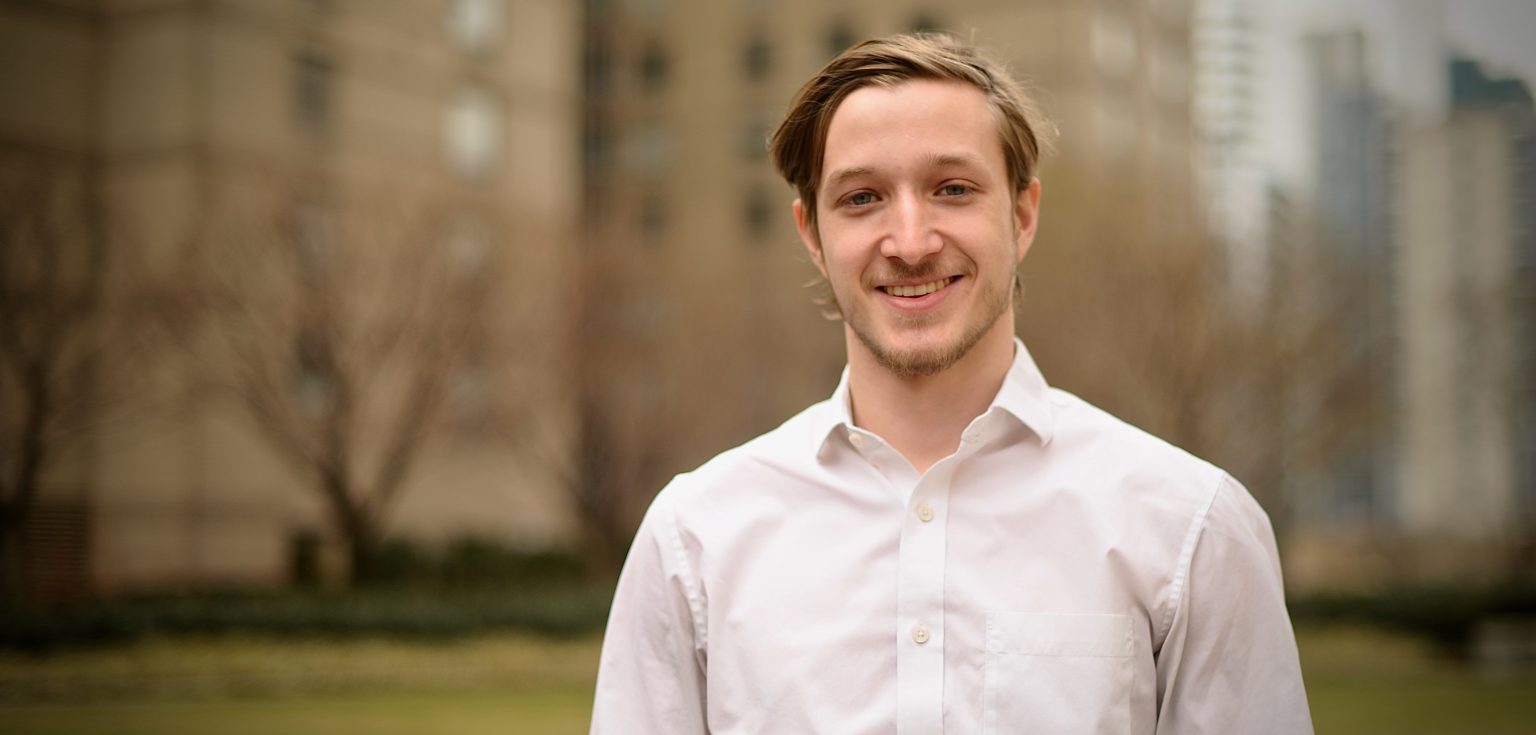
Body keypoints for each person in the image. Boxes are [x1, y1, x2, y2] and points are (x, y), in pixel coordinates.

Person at [590, 33, 1313, 734]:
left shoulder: (1192, 529)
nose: (910, 242)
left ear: (1022, 214)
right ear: (811, 233)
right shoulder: (693, 541)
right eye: (862, 198)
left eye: (953, 189)